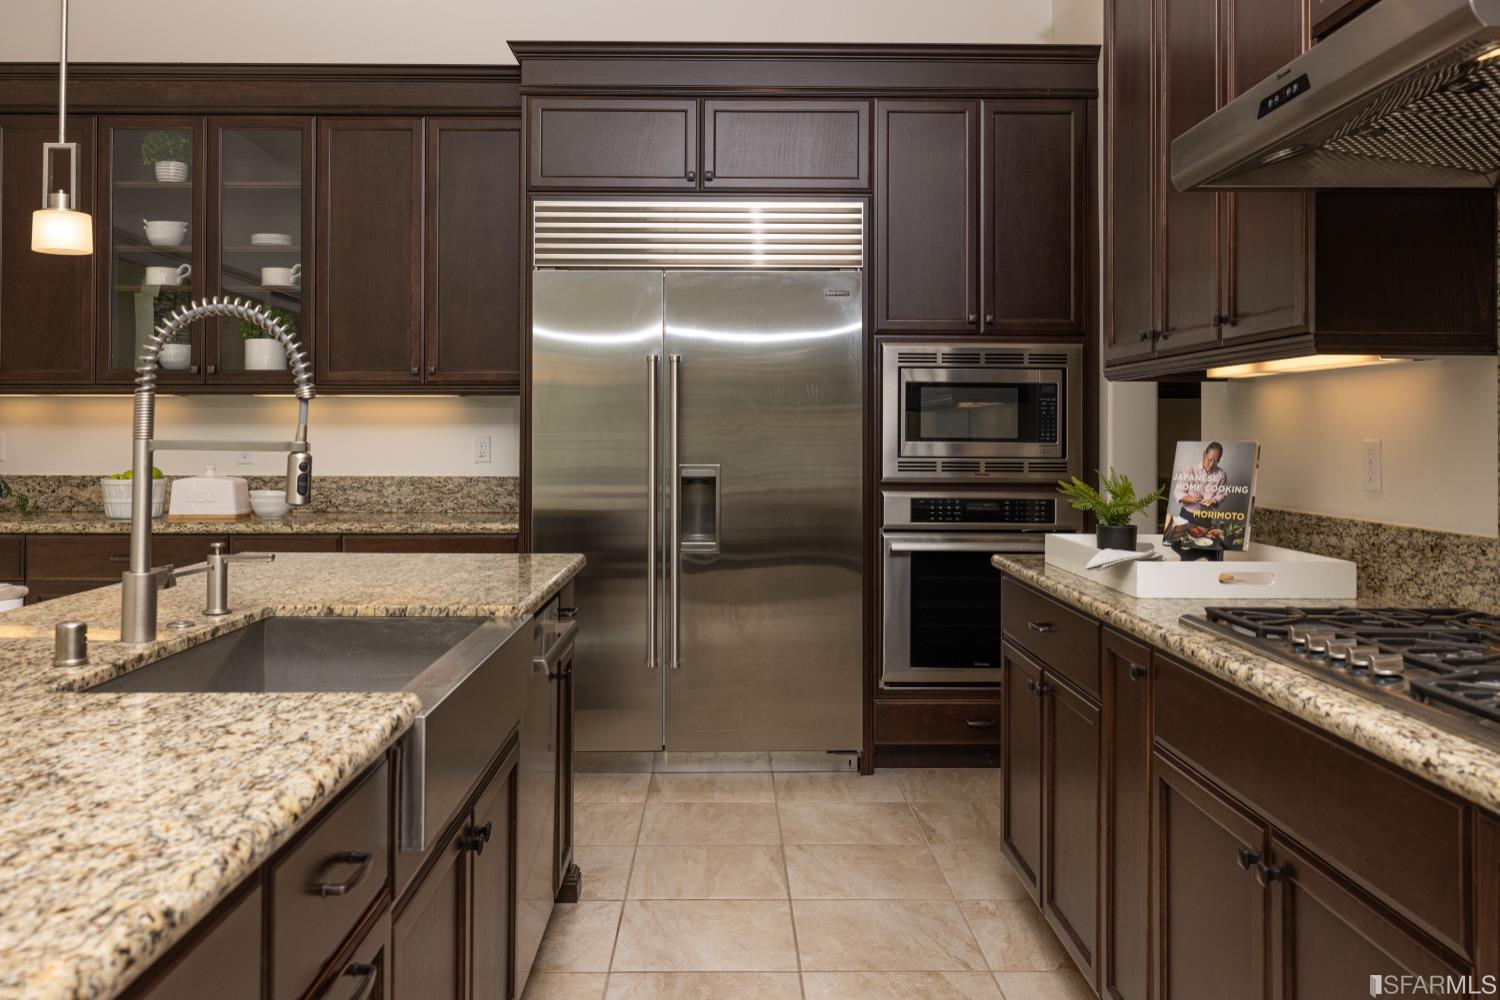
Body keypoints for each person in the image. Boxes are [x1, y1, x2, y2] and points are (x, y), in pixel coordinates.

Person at [1175, 441, 1228, 514]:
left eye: (1215, 461)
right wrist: (1192, 498)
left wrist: (1213, 501)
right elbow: (1178, 492)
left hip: (1206, 515)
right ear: (1204, 454)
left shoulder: (1222, 474)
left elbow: (1221, 494)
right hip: (1187, 513)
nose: (1211, 464)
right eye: (1210, 460)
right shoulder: (1189, 470)